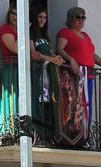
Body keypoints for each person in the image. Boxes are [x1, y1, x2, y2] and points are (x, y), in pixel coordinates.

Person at [29, 5, 65, 144]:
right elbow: (34, 54)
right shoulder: (31, 33)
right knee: (38, 104)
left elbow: (49, 55)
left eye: (44, 17)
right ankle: (37, 135)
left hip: (49, 75)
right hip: (37, 73)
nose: (42, 20)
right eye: (40, 17)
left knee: (49, 104)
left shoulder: (46, 36)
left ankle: (49, 136)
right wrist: (52, 59)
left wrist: (57, 58)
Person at [0, 2, 20, 141]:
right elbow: (15, 48)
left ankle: (20, 128)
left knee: (21, 100)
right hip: (10, 68)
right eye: (13, 14)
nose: (16, 17)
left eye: (18, 14)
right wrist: (22, 32)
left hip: (20, 69)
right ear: (9, 16)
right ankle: (8, 130)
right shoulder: (5, 29)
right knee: (11, 98)